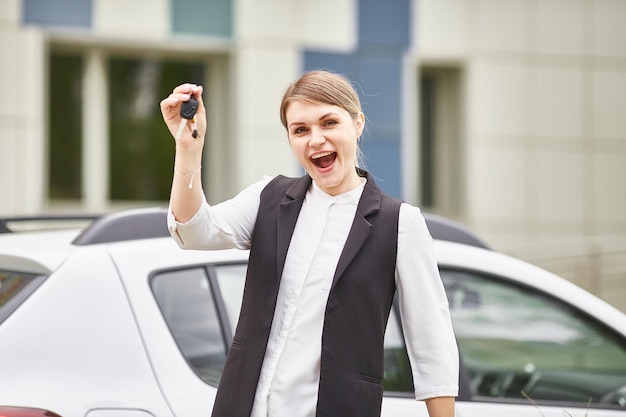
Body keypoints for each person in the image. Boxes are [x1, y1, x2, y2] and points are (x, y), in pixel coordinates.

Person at [160, 70, 459, 417]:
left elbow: (431, 341)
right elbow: (193, 231)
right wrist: (188, 149)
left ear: (357, 124)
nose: (316, 139)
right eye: (300, 130)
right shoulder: (268, 198)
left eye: (329, 122)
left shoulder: (400, 223)